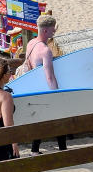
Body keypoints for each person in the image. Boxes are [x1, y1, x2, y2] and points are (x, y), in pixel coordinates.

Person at [18, 13, 65, 154]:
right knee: (59, 116)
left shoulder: (31, 43)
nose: (54, 32)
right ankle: (63, 150)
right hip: (44, 88)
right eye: (52, 30)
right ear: (45, 31)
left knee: (41, 118)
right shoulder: (45, 51)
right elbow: (49, 77)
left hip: (33, 87)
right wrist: (57, 94)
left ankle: (35, 150)